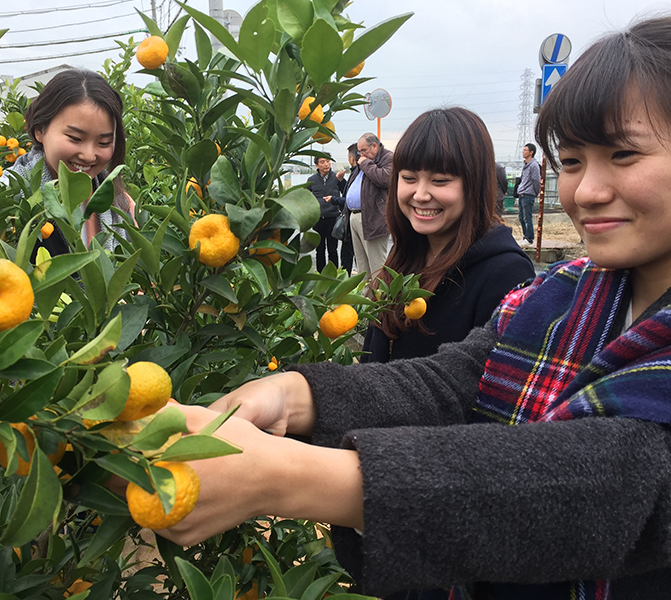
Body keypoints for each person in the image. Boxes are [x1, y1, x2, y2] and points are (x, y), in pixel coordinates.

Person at [154, 15, 671, 599]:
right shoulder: (563, 294)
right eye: (572, 162)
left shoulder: (508, 274)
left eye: (624, 154)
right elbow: (452, 381)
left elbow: (601, 484)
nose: (586, 191)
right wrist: (296, 395)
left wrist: (280, 476)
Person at [362, 108, 534, 363]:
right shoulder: (408, 253)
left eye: (440, 180)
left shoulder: (505, 274)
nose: (420, 194)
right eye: (408, 178)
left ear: (475, 184)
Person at [0, 69, 135, 255]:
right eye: (75, 138)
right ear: (40, 130)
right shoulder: (4, 198)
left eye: (104, 143)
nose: (88, 156)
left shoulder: (120, 203)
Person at [352, 133, 393, 282]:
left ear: (374, 146)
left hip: (373, 217)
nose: (361, 155)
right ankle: (366, 301)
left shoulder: (387, 158)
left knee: (376, 265)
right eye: (359, 152)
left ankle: (380, 301)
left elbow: (384, 178)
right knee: (362, 266)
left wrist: (364, 163)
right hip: (356, 216)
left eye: (363, 150)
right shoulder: (367, 161)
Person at [307, 156, 343, 272]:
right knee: (320, 250)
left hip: (333, 218)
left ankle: (333, 274)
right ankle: (321, 275)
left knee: (333, 250)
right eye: (322, 162)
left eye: (328, 161)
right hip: (318, 219)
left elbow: (346, 194)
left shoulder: (337, 178)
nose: (326, 164)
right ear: (317, 165)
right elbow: (305, 196)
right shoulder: (311, 179)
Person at [335, 144, 360, 273]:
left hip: (353, 218)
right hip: (352, 218)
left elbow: (350, 200)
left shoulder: (358, 172)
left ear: (351, 157)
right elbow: (350, 193)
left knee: (350, 253)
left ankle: (347, 282)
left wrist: (333, 200)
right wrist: (341, 182)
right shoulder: (356, 172)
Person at [516, 143, 541, 244]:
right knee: (521, 217)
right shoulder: (525, 164)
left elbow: (536, 180)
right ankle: (525, 236)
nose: (523, 152)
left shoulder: (533, 165)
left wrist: (535, 192)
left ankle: (529, 238)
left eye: (526, 150)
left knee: (527, 218)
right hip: (522, 194)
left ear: (531, 152)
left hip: (528, 194)